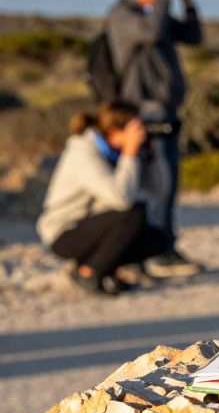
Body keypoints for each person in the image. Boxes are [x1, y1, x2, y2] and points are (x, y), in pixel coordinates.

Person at [104, 0, 203, 277]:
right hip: (144, 108)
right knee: (156, 183)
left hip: (166, 106)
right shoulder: (123, 16)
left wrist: (186, 1)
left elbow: (192, 36)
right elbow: (152, 32)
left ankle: (164, 246)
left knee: (169, 181)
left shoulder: (152, 13)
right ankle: (155, 252)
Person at [37, 102, 173, 296]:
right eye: (135, 128)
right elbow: (121, 199)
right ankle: (87, 273)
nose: (141, 132)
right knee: (133, 215)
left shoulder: (116, 152)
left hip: (94, 224)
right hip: (64, 231)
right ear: (115, 130)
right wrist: (130, 153)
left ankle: (105, 270)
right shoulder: (84, 152)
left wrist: (153, 154)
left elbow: (159, 190)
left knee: (157, 240)